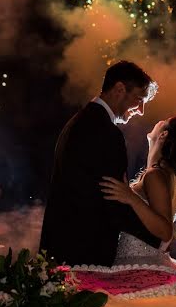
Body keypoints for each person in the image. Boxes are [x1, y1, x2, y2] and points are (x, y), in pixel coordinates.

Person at [39, 60, 161, 266]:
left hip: (61, 245)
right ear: (120, 89)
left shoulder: (78, 121)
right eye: (139, 99)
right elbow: (113, 199)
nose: (140, 110)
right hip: (85, 252)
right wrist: (157, 237)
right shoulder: (107, 132)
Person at [100, 115, 176, 269]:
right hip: (145, 261)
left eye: (163, 121)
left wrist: (131, 197)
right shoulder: (166, 174)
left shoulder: (155, 175)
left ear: (163, 134)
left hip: (139, 265)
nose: (159, 120)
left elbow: (165, 231)